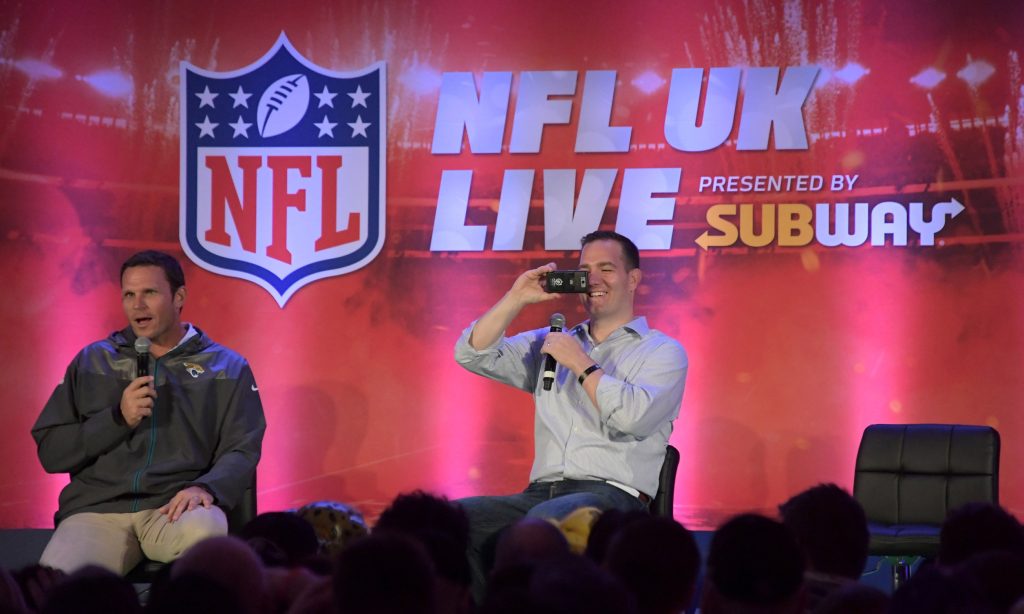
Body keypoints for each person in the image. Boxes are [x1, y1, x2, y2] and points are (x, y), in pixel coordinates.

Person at [454, 230, 688, 600]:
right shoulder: (553, 340)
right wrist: (516, 298)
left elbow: (634, 418)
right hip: (537, 495)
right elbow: (472, 354)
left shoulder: (662, 351)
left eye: (606, 269)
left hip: (611, 498)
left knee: (539, 530)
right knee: (451, 525)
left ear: (633, 279)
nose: (592, 279)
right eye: (584, 270)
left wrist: (580, 362)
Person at [31, 250, 266, 575]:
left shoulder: (226, 367)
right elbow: (52, 452)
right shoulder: (91, 361)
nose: (137, 305)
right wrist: (117, 418)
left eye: (149, 293)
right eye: (129, 294)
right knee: (53, 584)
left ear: (179, 296)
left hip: (175, 505)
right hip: (99, 510)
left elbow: (242, 447)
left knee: (205, 534)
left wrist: (206, 488)